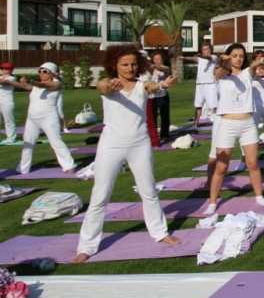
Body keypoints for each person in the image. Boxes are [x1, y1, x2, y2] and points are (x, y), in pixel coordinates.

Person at [72, 45, 182, 263]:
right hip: (110, 145)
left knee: (149, 191)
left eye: (133, 63)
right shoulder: (107, 82)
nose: (130, 68)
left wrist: (163, 83)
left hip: (139, 144)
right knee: (100, 196)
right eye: (124, 64)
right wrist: (111, 86)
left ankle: (161, 233)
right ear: (115, 65)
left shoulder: (142, 85)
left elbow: (152, 86)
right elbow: (104, 87)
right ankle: (86, 247)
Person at [205, 44, 264, 215]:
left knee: (252, 163)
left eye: (241, 56)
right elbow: (222, 71)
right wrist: (225, 63)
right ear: (228, 56)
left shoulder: (246, 74)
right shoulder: (220, 73)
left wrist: (260, 61)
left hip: (247, 124)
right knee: (222, 167)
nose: (238, 58)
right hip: (227, 124)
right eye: (235, 55)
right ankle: (213, 202)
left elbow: (252, 67)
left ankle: (259, 196)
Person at [8, 62, 75, 174]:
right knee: (27, 144)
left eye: (45, 72)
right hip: (32, 119)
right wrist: (8, 81)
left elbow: (44, 85)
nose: (41, 74)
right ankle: (22, 169)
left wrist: (30, 81)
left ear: (52, 74)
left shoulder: (56, 84)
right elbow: (24, 86)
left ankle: (69, 166)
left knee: (56, 142)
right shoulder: (37, 86)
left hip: (48, 118)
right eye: (39, 71)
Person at [183, 43, 219, 128]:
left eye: (206, 49)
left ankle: (218, 121)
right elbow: (193, 58)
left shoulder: (214, 57)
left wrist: (201, 56)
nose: (204, 51)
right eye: (203, 49)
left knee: (214, 105)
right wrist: (184, 57)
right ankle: (196, 123)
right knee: (198, 105)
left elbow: (208, 57)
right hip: (199, 84)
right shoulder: (200, 59)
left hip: (210, 84)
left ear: (210, 50)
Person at [149, 50, 171, 142]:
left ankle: (164, 135)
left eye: (158, 59)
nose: (156, 61)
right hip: (151, 96)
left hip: (162, 95)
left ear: (162, 60)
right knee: (152, 116)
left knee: (164, 116)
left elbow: (164, 70)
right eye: (154, 59)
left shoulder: (165, 68)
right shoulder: (151, 69)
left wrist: (155, 66)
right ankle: (153, 135)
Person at [0, 62, 18, 144]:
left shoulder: (12, 78)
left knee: (9, 121)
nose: (4, 70)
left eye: (6, 68)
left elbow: (4, 82)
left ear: (11, 70)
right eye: (3, 68)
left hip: (7, 102)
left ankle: (11, 138)